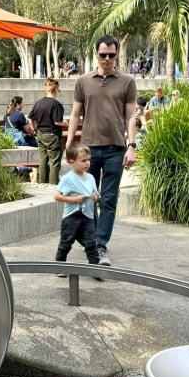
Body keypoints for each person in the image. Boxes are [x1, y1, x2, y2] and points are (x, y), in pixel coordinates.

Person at [66, 34, 138, 266]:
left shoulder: (127, 82)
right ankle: (91, 239)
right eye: (103, 54)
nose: (107, 59)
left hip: (115, 150)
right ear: (96, 54)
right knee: (88, 199)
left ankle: (99, 246)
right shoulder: (83, 81)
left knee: (108, 200)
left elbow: (130, 116)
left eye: (111, 55)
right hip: (87, 149)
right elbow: (76, 114)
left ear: (116, 55)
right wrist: (69, 146)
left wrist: (132, 146)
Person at [53, 143, 102, 276]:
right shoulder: (67, 178)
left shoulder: (90, 177)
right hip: (71, 217)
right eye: (83, 160)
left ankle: (95, 268)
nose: (87, 163)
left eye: (89, 160)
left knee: (91, 242)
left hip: (88, 216)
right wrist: (74, 200)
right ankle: (60, 266)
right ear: (72, 162)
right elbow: (57, 196)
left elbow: (96, 194)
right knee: (66, 242)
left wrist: (95, 196)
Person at [28, 77, 65, 185]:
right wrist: (66, 123)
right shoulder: (56, 104)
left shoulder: (38, 103)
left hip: (40, 135)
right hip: (52, 135)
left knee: (43, 161)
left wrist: (34, 129)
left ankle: (42, 184)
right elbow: (57, 122)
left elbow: (30, 118)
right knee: (54, 163)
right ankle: (52, 186)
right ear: (56, 90)